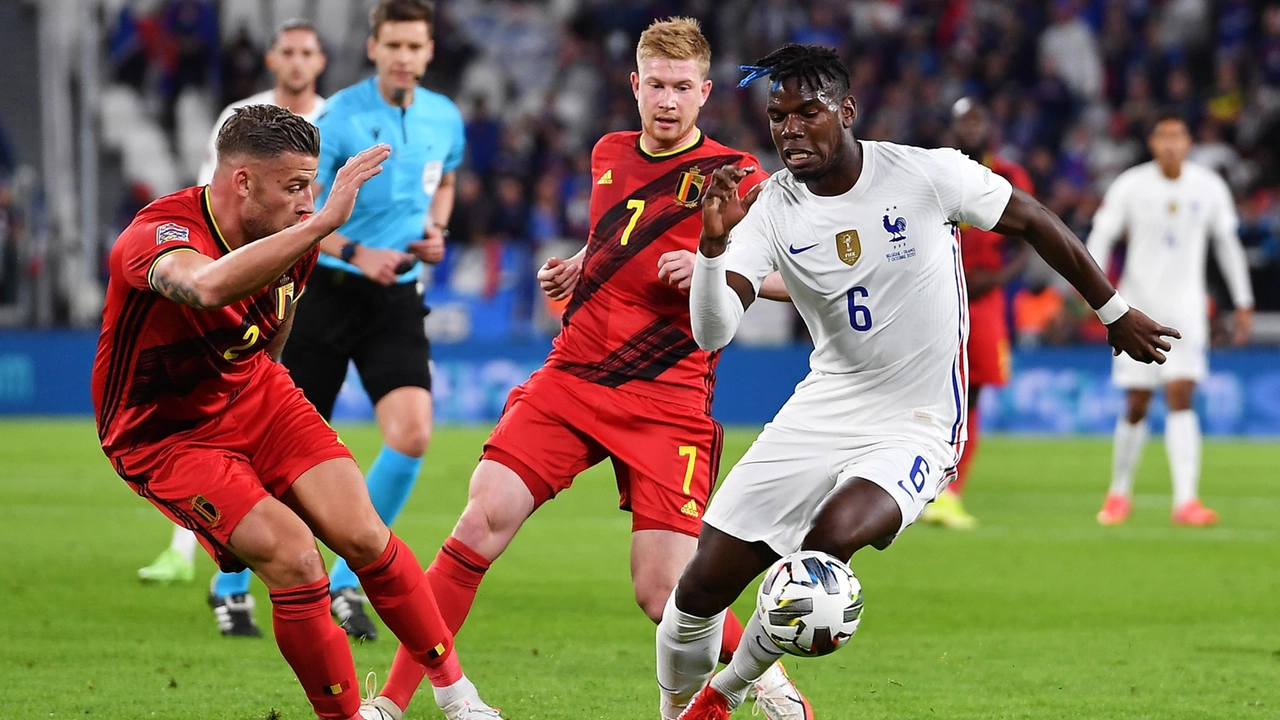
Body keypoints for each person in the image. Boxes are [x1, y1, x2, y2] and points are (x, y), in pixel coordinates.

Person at [662, 44, 1178, 720]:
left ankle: (725, 696)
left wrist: (1111, 312)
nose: (790, 129)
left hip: (918, 420)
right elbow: (712, 332)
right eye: (778, 116)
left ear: (846, 112)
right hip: (823, 405)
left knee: (824, 552)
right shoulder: (771, 209)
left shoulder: (924, 174)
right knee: (698, 590)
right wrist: (711, 249)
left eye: (807, 113)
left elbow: (1033, 220)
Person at [362, 18, 808, 720]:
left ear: (705, 93)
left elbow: (799, 275)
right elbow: (621, 232)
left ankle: (771, 683)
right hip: (573, 378)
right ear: (635, 85)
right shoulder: (607, 153)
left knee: (662, 595)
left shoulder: (736, 176)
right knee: (479, 522)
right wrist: (582, 264)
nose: (667, 100)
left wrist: (714, 267)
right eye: (655, 85)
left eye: (681, 88)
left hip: (668, 398)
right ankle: (392, 702)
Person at [92, 105, 498, 720]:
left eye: (313, 183)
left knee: (364, 534)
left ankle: (456, 695)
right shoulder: (160, 234)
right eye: (294, 186)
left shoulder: (290, 233)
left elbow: (274, 326)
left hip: (253, 389)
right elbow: (205, 288)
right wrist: (323, 224)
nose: (309, 201)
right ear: (242, 183)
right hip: (166, 432)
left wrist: (273, 388)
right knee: (295, 558)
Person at [278, 0, 466, 641]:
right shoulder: (339, 118)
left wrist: (436, 229)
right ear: (373, 47)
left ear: (429, 50)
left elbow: (444, 180)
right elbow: (302, 215)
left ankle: (344, 580)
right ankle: (233, 581)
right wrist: (358, 250)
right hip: (327, 292)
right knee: (283, 454)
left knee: (411, 434)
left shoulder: (444, 116)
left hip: (397, 299)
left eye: (415, 47)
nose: (405, 58)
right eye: (394, 46)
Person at [137, 16, 329, 639]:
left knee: (284, 427)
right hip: (230, 274)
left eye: (308, 51)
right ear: (274, 57)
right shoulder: (241, 117)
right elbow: (209, 198)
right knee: (215, 427)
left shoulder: (333, 119)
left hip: (304, 274)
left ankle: (334, 579)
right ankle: (228, 582)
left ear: (319, 61)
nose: (297, 61)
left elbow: (319, 214)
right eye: (289, 50)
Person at [1089, 112, 1254, 527]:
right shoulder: (1131, 184)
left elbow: (1227, 244)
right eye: (1162, 137)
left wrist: (1244, 301)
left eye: (1177, 137)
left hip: (1187, 310)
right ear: (1152, 143)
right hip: (1136, 309)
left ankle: (1186, 501)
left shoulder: (1208, 186)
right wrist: (1095, 292)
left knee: (1182, 395)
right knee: (1137, 402)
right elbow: (1102, 234)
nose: (1170, 144)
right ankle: (1119, 493)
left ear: (1189, 142)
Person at [920, 97, 1035, 530]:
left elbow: (1030, 232)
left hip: (984, 302)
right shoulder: (936, 169)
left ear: (990, 126)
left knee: (972, 394)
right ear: (952, 129)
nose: (971, 128)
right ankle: (925, 483)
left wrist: (1001, 275)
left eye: (977, 120)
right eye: (963, 122)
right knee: (933, 392)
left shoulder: (1008, 175)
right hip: (935, 295)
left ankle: (950, 492)